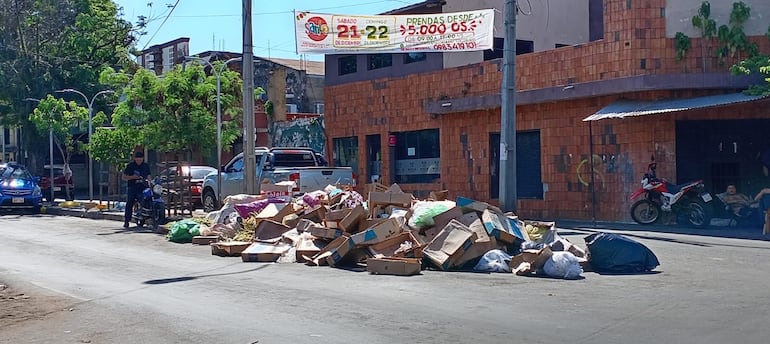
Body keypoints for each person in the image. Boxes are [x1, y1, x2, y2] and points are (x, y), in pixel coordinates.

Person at [122, 151, 151, 228]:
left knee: (146, 201)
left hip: (143, 187)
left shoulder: (145, 166)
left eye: (140, 159)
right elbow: (124, 177)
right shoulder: (130, 166)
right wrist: (133, 177)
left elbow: (148, 176)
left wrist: (150, 183)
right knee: (129, 203)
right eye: (137, 159)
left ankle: (144, 217)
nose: (139, 161)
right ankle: (126, 221)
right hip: (132, 187)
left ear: (143, 159)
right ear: (135, 159)